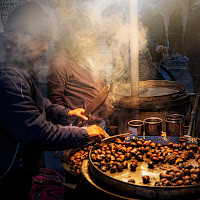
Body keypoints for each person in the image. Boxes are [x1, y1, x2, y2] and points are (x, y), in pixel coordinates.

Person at [0, 2, 105, 199]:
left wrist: (64, 113)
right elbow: (34, 129)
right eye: (40, 40)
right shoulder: (8, 76)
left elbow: (37, 102)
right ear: (15, 37)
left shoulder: (22, 63)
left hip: (27, 163)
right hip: (9, 168)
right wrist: (82, 134)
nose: (46, 47)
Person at [47, 13, 111, 127]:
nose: (88, 41)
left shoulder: (96, 55)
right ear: (72, 35)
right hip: (80, 126)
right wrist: (70, 121)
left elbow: (102, 84)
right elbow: (55, 103)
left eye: (91, 36)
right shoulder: (60, 63)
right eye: (83, 36)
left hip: (101, 121)